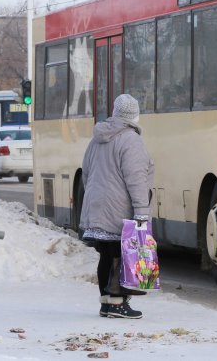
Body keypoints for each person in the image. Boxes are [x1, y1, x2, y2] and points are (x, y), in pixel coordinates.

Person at [80, 94, 154, 319]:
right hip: (119, 207)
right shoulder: (131, 140)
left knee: (106, 254)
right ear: (134, 114)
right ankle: (117, 302)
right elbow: (137, 179)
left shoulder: (97, 138)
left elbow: (86, 172)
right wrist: (142, 211)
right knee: (120, 255)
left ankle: (105, 302)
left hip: (97, 205)